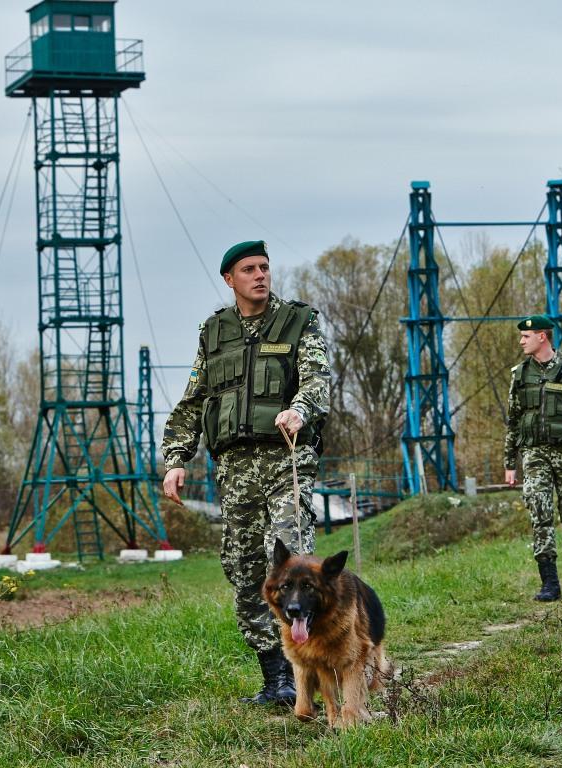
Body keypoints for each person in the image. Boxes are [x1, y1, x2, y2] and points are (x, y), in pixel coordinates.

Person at [161, 239, 330, 705]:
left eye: (265, 267)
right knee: (246, 569)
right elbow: (193, 402)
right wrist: (176, 460)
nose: (260, 275)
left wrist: (299, 408)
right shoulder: (214, 332)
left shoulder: (298, 321)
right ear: (229, 279)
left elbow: (317, 378)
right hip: (234, 470)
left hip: (286, 459)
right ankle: (275, 678)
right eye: (249, 269)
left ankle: (312, 671)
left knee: (293, 561)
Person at [503, 315, 562, 601]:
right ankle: (549, 583)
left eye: (526, 336)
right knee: (539, 508)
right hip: (535, 453)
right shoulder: (520, 374)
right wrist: (510, 463)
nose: (521, 341)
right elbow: (514, 421)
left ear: (542, 336)